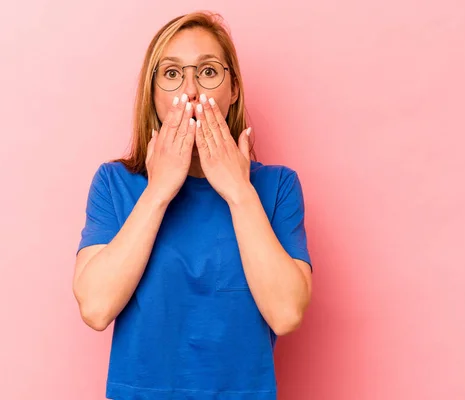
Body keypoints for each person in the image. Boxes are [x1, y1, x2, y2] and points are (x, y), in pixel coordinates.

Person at [73, 10, 313, 400]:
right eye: (171, 74)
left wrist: (239, 191)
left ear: (233, 88)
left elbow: (286, 314)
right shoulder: (114, 184)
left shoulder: (277, 187)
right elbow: (96, 308)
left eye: (208, 72)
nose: (191, 91)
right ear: (152, 94)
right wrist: (158, 192)